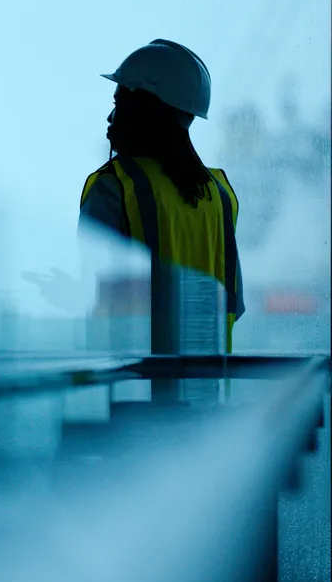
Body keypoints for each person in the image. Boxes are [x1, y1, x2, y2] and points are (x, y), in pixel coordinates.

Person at [79, 38, 245, 353]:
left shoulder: (113, 186)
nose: (110, 118)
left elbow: (96, 296)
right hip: (209, 387)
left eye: (118, 104)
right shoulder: (220, 194)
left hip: (137, 389)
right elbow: (233, 304)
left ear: (145, 109)